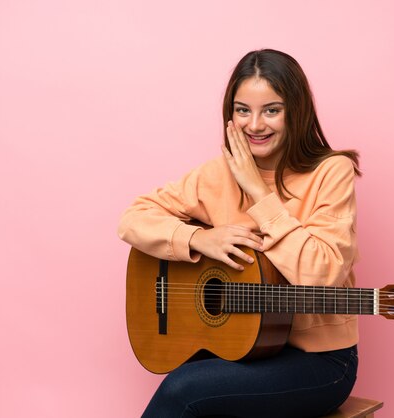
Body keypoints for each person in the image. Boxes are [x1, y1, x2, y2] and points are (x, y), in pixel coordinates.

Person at [118, 48, 361, 418]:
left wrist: (260, 194)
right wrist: (198, 239)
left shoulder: (331, 172)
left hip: (320, 363)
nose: (255, 125)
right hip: (244, 351)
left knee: (184, 390)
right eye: (242, 110)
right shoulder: (215, 175)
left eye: (272, 110)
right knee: (190, 381)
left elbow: (323, 274)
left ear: (296, 111)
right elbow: (133, 219)